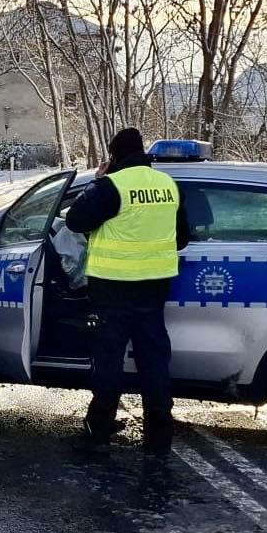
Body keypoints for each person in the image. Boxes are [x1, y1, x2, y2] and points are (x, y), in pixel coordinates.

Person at [63, 127, 191, 454]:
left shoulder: (112, 186)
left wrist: (96, 181)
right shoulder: (167, 186)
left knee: (108, 364)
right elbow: (181, 238)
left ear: (115, 155)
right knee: (155, 365)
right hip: (153, 291)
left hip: (112, 292)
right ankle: (159, 438)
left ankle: (100, 432)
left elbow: (75, 220)